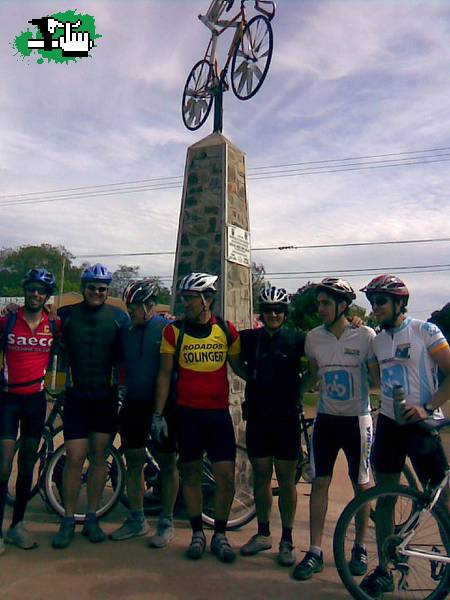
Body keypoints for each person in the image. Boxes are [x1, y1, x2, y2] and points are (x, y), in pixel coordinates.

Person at [358, 274, 450, 597]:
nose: (375, 307)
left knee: (441, 498)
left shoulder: (425, 331)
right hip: (388, 424)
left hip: (420, 424)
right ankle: (384, 569)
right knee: (384, 499)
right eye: (372, 302)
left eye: (381, 301)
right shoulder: (377, 341)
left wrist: (427, 407)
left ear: (400, 303)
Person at [152, 272, 243, 563]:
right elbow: (164, 375)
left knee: (225, 477)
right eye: (184, 298)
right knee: (190, 473)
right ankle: (196, 533)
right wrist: (158, 414)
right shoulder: (173, 332)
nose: (185, 304)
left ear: (207, 300)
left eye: (191, 298)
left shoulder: (227, 331)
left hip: (217, 415)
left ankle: (220, 534)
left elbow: (241, 367)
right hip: (186, 414)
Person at [293, 278, 378, 581]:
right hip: (327, 419)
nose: (320, 309)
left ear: (343, 306)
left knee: (362, 484)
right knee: (319, 482)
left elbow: (377, 379)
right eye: (318, 303)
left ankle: (359, 547)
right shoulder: (313, 338)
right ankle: (315, 550)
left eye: (326, 303)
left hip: (357, 419)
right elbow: (313, 375)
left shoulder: (365, 335)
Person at [52, 263, 129, 549]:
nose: (97, 292)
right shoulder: (66, 316)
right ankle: (68, 519)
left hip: (105, 397)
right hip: (76, 396)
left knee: (99, 460)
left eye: (102, 288)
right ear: (83, 288)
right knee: (74, 458)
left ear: (108, 291)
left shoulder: (119, 318)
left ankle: (93, 516)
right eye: (92, 287)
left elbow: (127, 354)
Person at [238, 284, 305, 567]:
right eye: (268, 310)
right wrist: (249, 378)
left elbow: (316, 362)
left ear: (285, 313)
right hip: (258, 417)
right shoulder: (249, 339)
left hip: (286, 418)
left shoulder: (298, 339)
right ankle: (263, 533)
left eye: (278, 310)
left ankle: (287, 539)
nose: (273, 314)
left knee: (287, 479)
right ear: (262, 313)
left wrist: (302, 389)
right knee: (262, 475)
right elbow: (230, 356)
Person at [110, 280, 178, 546]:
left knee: (169, 462)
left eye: (136, 307)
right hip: (134, 403)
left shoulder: (166, 329)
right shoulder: (126, 330)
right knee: (134, 460)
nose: (131, 312)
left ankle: (167, 520)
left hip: (163, 404)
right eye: (128, 306)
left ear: (150, 306)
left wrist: (160, 412)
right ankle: (137, 519)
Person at [0, 268, 58, 554]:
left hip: (35, 403)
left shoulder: (54, 324)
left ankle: (17, 526)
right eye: (31, 288)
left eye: (41, 290)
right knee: (4, 464)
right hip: (8, 401)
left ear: (47, 295)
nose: (35, 294)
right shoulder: (8, 320)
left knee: (26, 466)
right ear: (25, 290)